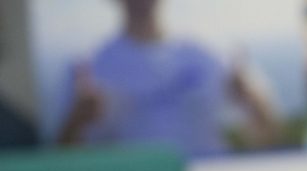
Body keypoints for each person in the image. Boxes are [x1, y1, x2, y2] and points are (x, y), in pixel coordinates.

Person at [57, 0, 278, 156]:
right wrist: (77, 121)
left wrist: (253, 103)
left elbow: (270, 135)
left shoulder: (211, 54)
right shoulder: (92, 67)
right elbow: (63, 164)